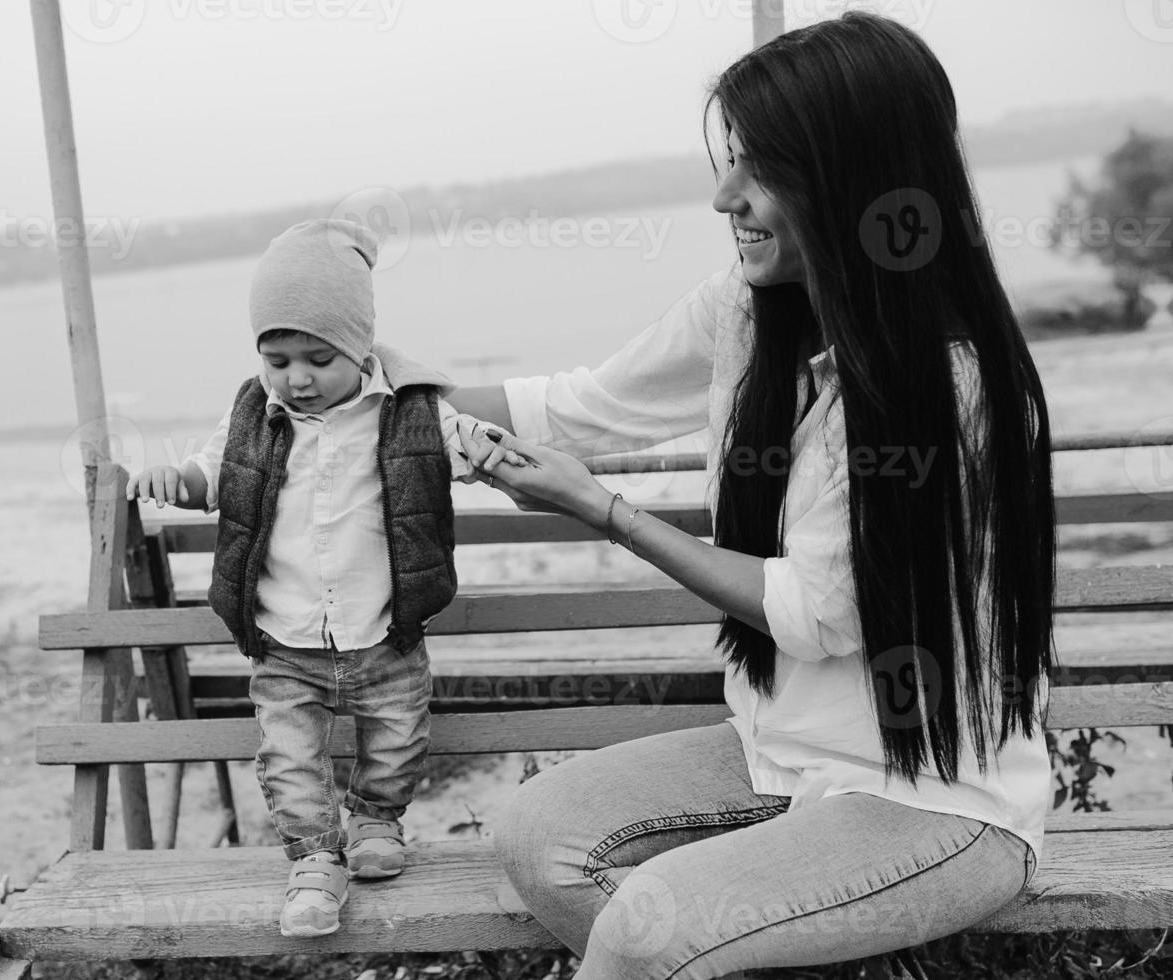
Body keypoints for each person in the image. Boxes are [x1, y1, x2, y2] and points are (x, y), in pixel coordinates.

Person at [449, 13, 1055, 978]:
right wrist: (386, 390)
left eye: (760, 166)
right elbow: (576, 408)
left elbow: (815, 614)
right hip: (777, 753)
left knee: (656, 925)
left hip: (938, 800)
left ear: (853, 180)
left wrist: (606, 513)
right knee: (539, 835)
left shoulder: (952, 387)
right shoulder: (745, 308)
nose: (725, 195)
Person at [126, 219, 508, 938]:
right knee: (291, 758)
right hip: (285, 635)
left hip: (385, 631)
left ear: (360, 347)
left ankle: (375, 823)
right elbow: (210, 475)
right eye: (278, 359)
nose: (296, 378)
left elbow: (464, 447)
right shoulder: (250, 417)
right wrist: (172, 479)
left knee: (396, 738)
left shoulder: (413, 411)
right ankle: (311, 861)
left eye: (318, 358)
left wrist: (492, 452)